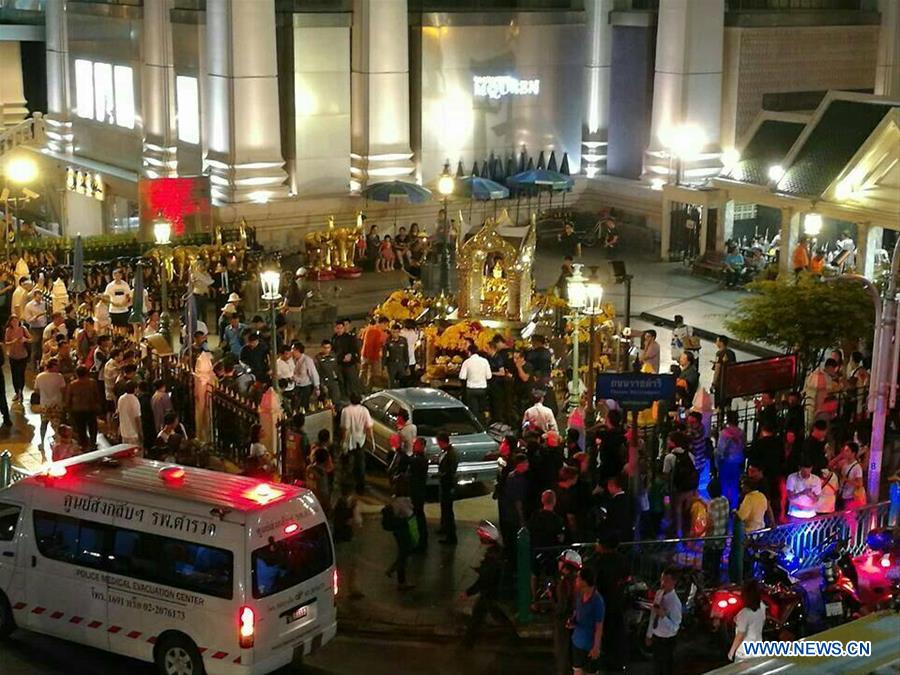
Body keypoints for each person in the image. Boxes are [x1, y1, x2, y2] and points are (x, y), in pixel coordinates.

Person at [460, 521, 515, 647]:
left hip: (489, 592)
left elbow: (485, 579)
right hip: (491, 591)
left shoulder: (492, 556)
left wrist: (468, 592)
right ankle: (467, 643)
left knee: (481, 616)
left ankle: (467, 644)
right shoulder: (497, 552)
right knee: (483, 616)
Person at [528, 489, 565, 604]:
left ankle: (534, 599)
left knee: (534, 575)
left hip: (536, 550)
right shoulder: (557, 519)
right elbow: (561, 538)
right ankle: (557, 602)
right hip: (551, 552)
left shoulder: (535, 515)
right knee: (557, 577)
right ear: (554, 502)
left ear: (542, 501)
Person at [645, 567, 683, 675]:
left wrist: (663, 616)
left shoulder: (675, 603)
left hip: (667, 641)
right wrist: (649, 634)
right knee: (656, 667)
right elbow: (653, 614)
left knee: (666, 668)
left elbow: (675, 627)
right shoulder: (659, 593)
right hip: (657, 637)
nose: (663, 583)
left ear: (673, 582)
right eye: (662, 580)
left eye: (666, 581)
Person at [569, 566, 605, 675]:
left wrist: (596, 647)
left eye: (578, 578)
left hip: (589, 646)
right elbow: (577, 611)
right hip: (577, 642)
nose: (576, 580)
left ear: (584, 581)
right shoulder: (579, 595)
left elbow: (599, 626)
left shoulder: (597, 601)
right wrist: (572, 621)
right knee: (577, 671)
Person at [384, 477, 416, 590]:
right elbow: (409, 513)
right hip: (403, 529)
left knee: (403, 552)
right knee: (405, 553)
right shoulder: (403, 501)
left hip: (398, 530)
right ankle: (400, 579)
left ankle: (394, 571)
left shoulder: (395, 499)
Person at [553, 549, 582, 675]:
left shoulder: (565, 583)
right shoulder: (579, 580)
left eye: (561, 561)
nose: (558, 563)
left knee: (563, 655)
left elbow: (562, 607)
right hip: (575, 623)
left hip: (564, 624)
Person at [663, 431, 697, 537]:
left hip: (677, 490)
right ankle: (688, 534)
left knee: (677, 513)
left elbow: (666, 475)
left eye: (669, 440)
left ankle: (678, 536)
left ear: (673, 443)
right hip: (690, 489)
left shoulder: (669, 457)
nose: (667, 442)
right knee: (687, 513)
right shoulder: (690, 455)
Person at [340, 392, 373, 495]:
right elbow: (369, 427)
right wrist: (372, 441)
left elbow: (345, 428)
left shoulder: (346, 411)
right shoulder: (364, 411)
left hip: (349, 442)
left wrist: (343, 442)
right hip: (360, 441)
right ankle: (360, 487)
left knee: (347, 465)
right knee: (360, 464)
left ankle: (347, 488)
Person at [728, 579, 766, 661]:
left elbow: (740, 635)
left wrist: (731, 651)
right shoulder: (762, 607)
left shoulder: (744, 613)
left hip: (744, 653)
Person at [66, 365, 102, 449]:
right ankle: (93, 443)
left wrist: (69, 410)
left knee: (80, 428)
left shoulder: (72, 385)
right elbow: (97, 395)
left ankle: (83, 444)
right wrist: (98, 406)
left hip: (77, 409)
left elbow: (68, 399)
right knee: (92, 427)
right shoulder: (92, 382)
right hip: (90, 408)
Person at [33, 358, 67, 451]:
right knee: (57, 426)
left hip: (45, 405)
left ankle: (42, 442)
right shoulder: (59, 376)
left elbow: (36, 390)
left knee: (43, 424)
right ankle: (58, 444)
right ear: (52, 366)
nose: (59, 368)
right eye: (57, 366)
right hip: (56, 404)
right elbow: (63, 390)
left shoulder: (39, 376)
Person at [716, 410, 745, 508]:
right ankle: (734, 506)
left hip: (726, 461)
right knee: (734, 485)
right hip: (737, 461)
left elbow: (720, 450)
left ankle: (724, 505)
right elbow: (743, 446)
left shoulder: (724, 433)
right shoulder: (741, 432)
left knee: (724, 484)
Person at [459, 343, 491, 424]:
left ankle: (475, 425)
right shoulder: (485, 361)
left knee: (474, 409)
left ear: (469, 352)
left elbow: (462, 376)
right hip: (482, 388)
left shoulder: (467, 362)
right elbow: (489, 376)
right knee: (482, 408)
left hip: (471, 389)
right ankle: (483, 424)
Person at [705, 479, 729, 584]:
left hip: (712, 539)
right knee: (717, 562)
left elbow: (711, 523)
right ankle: (717, 581)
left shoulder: (711, 503)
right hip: (722, 536)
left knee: (709, 564)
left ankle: (710, 583)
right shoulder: (725, 500)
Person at [437, 431, 459, 545]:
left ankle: (451, 536)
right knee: (444, 508)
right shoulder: (445, 452)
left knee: (448, 510)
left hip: (448, 485)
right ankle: (444, 528)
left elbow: (450, 471)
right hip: (444, 484)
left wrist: (441, 474)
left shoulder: (451, 454)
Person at [408, 437, 429, 552]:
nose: (414, 445)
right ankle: (418, 539)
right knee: (417, 516)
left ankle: (421, 541)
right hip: (416, 491)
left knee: (418, 516)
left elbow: (410, 463)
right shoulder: (416, 458)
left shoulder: (421, 460)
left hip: (418, 492)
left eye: (416, 444)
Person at [332, 319, 362, 399]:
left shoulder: (350, 337)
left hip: (349, 364)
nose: (339, 330)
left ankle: (356, 396)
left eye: (341, 328)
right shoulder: (334, 338)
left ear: (343, 328)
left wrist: (351, 355)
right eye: (337, 328)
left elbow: (355, 349)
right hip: (339, 363)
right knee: (341, 381)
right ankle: (345, 397)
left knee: (352, 381)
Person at [4, 314, 29, 401]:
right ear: (10, 322)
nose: (15, 323)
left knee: (21, 374)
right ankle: (16, 392)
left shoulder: (23, 329)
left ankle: (20, 391)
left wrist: (25, 340)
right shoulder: (8, 330)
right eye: (13, 321)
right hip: (13, 355)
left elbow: (31, 338)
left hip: (23, 355)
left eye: (16, 321)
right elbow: (6, 342)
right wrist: (12, 342)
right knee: (14, 374)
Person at [360, 316, 389, 389]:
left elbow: (362, 339)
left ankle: (362, 388)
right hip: (374, 356)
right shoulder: (379, 332)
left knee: (364, 372)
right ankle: (370, 388)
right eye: (386, 325)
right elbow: (377, 345)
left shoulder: (368, 329)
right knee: (375, 374)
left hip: (365, 354)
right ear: (383, 323)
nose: (386, 327)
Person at [23, 288, 48, 367]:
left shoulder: (44, 304)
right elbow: (28, 320)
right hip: (34, 329)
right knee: (34, 347)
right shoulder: (29, 306)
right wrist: (36, 317)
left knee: (42, 347)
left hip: (44, 327)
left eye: (41, 296)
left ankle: (41, 365)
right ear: (34, 296)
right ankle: (33, 366)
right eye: (38, 296)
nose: (40, 298)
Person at [291, 341, 320, 410]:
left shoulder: (307, 360)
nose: (291, 352)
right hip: (297, 386)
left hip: (306, 386)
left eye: (293, 350)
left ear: (297, 350)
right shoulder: (295, 360)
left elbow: (313, 373)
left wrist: (317, 387)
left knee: (303, 405)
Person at [837, 441, 866, 508]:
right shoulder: (843, 463)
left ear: (853, 453)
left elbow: (860, 484)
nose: (844, 453)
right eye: (844, 450)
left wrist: (846, 480)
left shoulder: (857, 467)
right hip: (842, 494)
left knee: (849, 517)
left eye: (847, 451)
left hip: (850, 497)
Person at [383, 323, 410, 388]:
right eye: (393, 332)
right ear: (391, 331)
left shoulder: (403, 340)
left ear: (399, 332)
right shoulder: (387, 341)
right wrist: (384, 367)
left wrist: (407, 365)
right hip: (391, 364)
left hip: (401, 364)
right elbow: (384, 354)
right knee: (391, 383)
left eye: (396, 332)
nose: (395, 334)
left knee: (403, 382)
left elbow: (406, 353)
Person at [104, 268, 132, 332]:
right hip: (113, 311)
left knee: (124, 328)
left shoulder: (125, 285)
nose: (117, 276)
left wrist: (123, 303)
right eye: (115, 275)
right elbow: (106, 297)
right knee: (114, 329)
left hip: (124, 310)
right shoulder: (110, 286)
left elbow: (128, 296)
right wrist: (112, 303)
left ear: (121, 276)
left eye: (118, 275)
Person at [712, 336, 736, 408]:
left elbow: (717, 369)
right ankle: (729, 418)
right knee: (728, 404)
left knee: (719, 405)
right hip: (730, 382)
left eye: (717, 341)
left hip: (721, 383)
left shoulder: (719, 353)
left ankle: (720, 418)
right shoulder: (732, 353)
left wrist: (714, 382)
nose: (716, 343)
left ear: (721, 343)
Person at [117, 380, 142, 446]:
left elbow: (119, 413)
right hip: (133, 434)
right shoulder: (135, 400)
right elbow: (137, 419)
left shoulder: (121, 398)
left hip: (124, 432)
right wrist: (140, 433)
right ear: (135, 389)